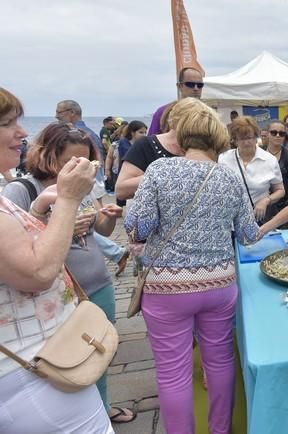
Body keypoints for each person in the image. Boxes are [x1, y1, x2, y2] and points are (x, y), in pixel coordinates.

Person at [124, 99, 261, 434]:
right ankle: (220, 430)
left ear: (181, 135)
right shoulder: (229, 177)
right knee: (220, 362)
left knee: (173, 372)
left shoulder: (158, 170)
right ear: (217, 138)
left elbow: (138, 228)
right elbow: (248, 234)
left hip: (168, 286)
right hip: (219, 284)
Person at [1, 122, 136, 425]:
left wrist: (106, 217)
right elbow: (24, 254)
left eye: (87, 161)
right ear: (48, 156)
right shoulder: (21, 189)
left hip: (97, 282)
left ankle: (103, 405)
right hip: (59, 299)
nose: (80, 168)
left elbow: (102, 231)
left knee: (99, 353)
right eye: (70, 162)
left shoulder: (82, 184)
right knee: (65, 363)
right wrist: (55, 220)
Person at [56, 99, 129, 274]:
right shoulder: (90, 134)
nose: (56, 115)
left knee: (86, 224)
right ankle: (117, 253)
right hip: (93, 181)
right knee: (85, 224)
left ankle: (117, 253)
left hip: (90, 183)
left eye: (59, 112)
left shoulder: (81, 135)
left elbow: (103, 228)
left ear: (72, 112)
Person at [219, 116, 285, 223]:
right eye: (241, 138)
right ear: (235, 140)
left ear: (256, 137)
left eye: (249, 137)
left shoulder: (269, 160)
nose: (246, 142)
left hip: (259, 219)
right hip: (231, 220)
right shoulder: (223, 158)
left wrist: (266, 200)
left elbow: (280, 190)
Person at [261, 119, 288, 225]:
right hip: (260, 203)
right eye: (274, 132)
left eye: (282, 133)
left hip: (283, 204)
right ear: (267, 134)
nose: (278, 136)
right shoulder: (258, 152)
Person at [148, 67, 204, 135]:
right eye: (190, 84)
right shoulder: (163, 112)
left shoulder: (207, 113)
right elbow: (151, 142)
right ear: (179, 86)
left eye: (200, 85)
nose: (196, 88)